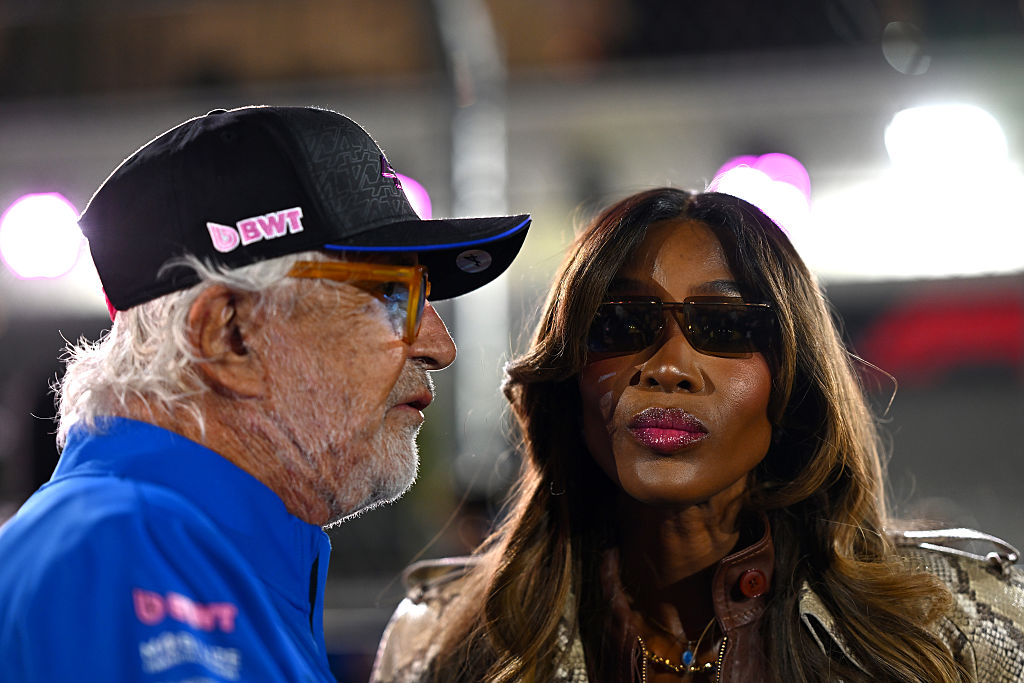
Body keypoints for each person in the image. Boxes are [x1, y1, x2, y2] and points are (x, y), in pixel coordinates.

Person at [371, 188, 1024, 682]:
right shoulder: (439, 643)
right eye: (622, 322)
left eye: (727, 325)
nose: (669, 366)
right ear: (568, 377)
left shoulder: (956, 622)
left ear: (793, 381)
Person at [0, 105, 531, 682]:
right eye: (389, 295)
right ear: (229, 334)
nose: (438, 344)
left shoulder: (178, 556)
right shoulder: (119, 553)